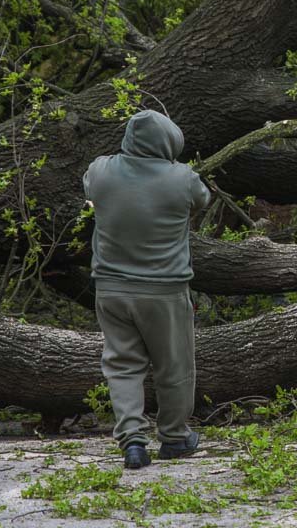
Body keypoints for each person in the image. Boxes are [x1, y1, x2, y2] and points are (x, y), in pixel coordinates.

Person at [83, 109, 212, 469]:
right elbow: (203, 200)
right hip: (164, 291)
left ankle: (132, 443)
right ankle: (174, 437)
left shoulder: (100, 172)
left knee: (122, 365)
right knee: (173, 365)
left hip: (111, 289)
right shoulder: (182, 178)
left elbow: (89, 188)